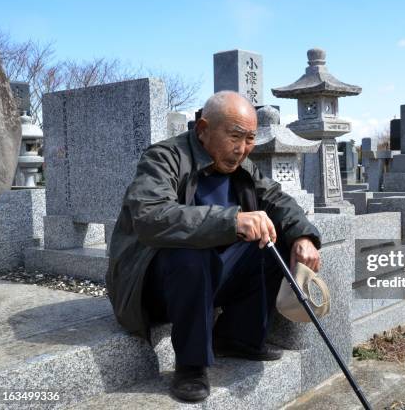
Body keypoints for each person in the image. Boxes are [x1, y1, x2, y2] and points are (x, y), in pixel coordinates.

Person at [105, 91, 321, 402]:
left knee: (274, 239)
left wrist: (303, 237)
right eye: (235, 136)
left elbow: (277, 200)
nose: (242, 149)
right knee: (189, 250)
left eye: (249, 139)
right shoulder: (164, 157)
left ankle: (236, 337)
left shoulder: (241, 167)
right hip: (154, 285)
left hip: (208, 280)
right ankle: (191, 365)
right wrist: (233, 221)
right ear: (203, 128)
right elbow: (150, 216)